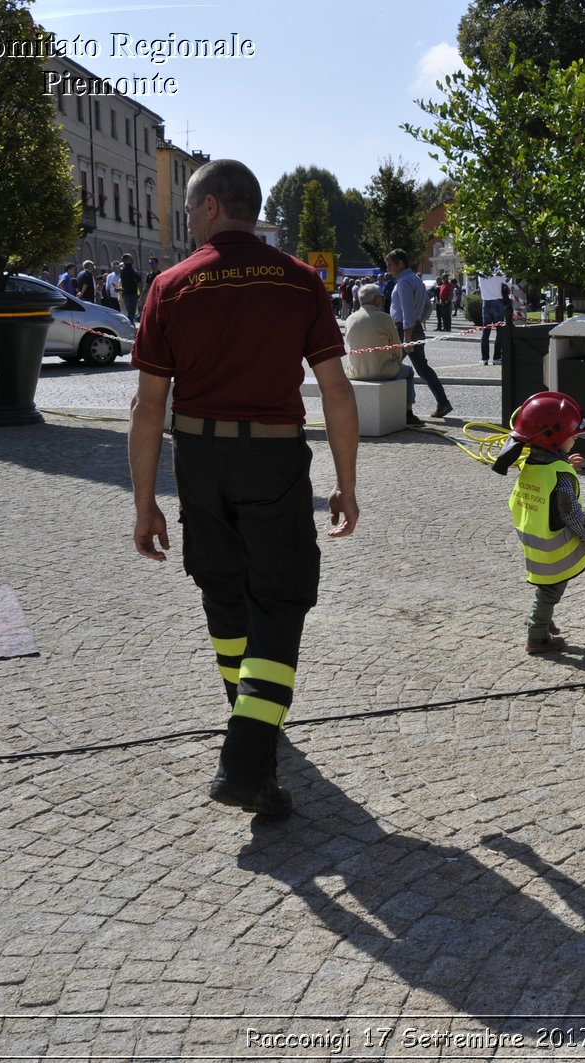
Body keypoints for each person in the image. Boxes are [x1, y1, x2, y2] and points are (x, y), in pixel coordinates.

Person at [127, 158, 361, 820]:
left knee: (225, 593)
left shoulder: (170, 285)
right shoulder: (298, 282)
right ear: (252, 211)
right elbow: (336, 390)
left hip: (200, 457)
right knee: (281, 601)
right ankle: (246, 755)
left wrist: (145, 502)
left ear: (207, 209)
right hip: (272, 458)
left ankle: (250, 736)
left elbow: (149, 406)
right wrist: (346, 484)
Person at [498, 391, 585, 655]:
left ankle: (540, 618)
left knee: (545, 589)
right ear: (555, 438)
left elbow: (547, 486)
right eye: (573, 435)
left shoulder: (532, 464)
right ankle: (537, 635)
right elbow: (570, 511)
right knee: (550, 592)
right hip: (554, 548)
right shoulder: (560, 475)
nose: (576, 438)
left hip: (532, 538)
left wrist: (566, 463)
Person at [386, 248, 453, 419]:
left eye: (390, 265)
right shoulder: (415, 279)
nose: (388, 269)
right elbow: (428, 307)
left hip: (404, 330)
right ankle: (442, 402)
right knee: (422, 369)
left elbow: (407, 312)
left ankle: (394, 411)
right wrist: (419, 321)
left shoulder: (403, 283)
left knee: (387, 367)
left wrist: (407, 337)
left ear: (400, 264)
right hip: (414, 328)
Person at [343, 284, 421, 428]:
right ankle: (408, 413)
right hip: (382, 371)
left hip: (355, 372)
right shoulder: (385, 318)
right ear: (377, 300)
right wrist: (395, 360)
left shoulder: (349, 319)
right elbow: (397, 348)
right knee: (408, 371)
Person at [477, 270, 508, 366]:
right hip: (497, 302)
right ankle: (497, 357)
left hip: (485, 302)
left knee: (485, 332)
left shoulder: (480, 274)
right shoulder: (499, 273)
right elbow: (508, 283)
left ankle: (484, 358)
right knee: (500, 331)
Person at [118, 253, 141, 322]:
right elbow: (138, 278)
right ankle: (130, 328)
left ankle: (130, 325)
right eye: (130, 259)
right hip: (131, 294)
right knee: (131, 313)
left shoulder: (123, 270)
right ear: (126, 260)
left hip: (126, 293)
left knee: (129, 312)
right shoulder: (128, 269)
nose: (132, 260)